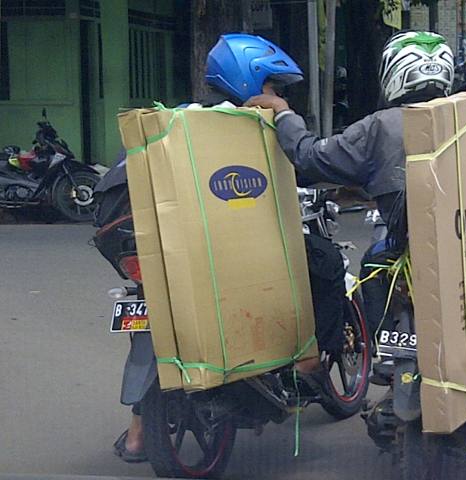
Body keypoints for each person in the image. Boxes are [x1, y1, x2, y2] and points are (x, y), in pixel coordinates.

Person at [246, 30, 466, 467]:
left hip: (397, 257)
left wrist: (284, 114)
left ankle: (381, 350)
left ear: (393, 75)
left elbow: (310, 159)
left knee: (370, 263)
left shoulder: (377, 127)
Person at [102, 33, 339, 463]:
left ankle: (137, 432)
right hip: (211, 246)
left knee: (154, 318)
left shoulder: (175, 119)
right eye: (272, 86)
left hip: (138, 244)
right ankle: (306, 365)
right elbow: (295, 168)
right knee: (324, 263)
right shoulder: (246, 127)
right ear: (250, 80)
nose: (277, 95)